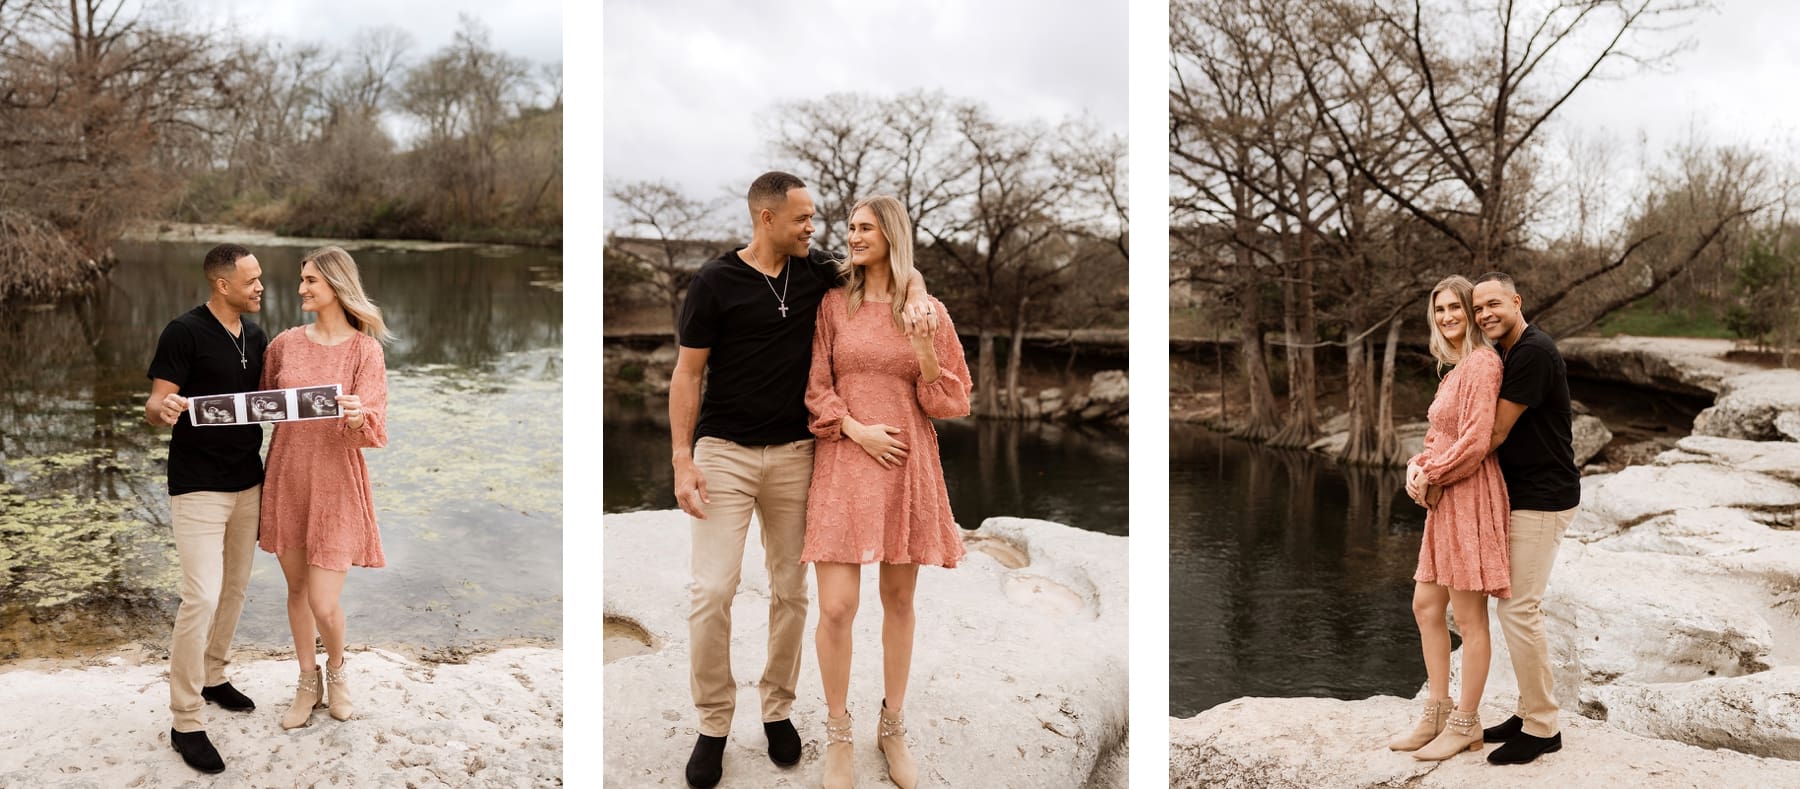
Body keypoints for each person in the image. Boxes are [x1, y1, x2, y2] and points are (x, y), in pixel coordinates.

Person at [669, 172, 935, 788]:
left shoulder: (816, 275)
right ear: (767, 218)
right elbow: (687, 376)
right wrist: (683, 459)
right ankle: (712, 724)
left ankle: (777, 709)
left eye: (817, 220)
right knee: (712, 591)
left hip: (798, 454)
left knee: (793, 592)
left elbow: (890, 268)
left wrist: (918, 286)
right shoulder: (714, 283)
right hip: (725, 451)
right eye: (803, 219)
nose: (814, 229)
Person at [802, 195, 970, 789]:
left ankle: (892, 727)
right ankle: (838, 732)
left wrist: (923, 347)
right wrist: (855, 429)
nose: (852, 236)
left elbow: (950, 402)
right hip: (846, 460)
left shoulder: (929, 311)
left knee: (899, 602)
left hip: (907, 466)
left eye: (865, 228)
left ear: (891, 234)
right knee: (836, 607)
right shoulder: (831, 305)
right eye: (850, 227)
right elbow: (816, 386)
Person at [144, 242, 267, 775]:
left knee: (236, 589)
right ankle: (186, 721)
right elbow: (155, 405)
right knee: (201, 596)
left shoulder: (257, 336)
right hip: (197, 487)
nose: (261, 286)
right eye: (252, 280)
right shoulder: (184, 332)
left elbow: (271, 401)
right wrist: (164, 407)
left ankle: (214, 676)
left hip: (248, 482)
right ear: (223, 285)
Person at [257, 245, 391, 731]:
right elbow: (260, 402)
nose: (301, 289)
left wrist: (358, 415)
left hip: (336, 482)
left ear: (335, 285)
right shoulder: (286, 344)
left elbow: (375, 427)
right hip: (287, 476)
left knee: (323, 601)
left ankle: (337, 672)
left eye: (310, 280)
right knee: (296, 590)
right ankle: (305, 681)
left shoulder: (365, 350)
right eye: (301, 280)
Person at [1392, 275, 1510, 761]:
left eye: (1455, 308)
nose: (1447, 318)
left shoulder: (1483, 364)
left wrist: (1434, 473)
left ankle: (1466, 722)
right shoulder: (1454, 368)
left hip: (1469, 495)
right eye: (1439, 310)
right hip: (1445, 494)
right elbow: (1438, 435)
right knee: (1425, 605)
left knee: (1467, 616)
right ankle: (1436, 712)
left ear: (1470, 311)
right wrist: (1416, 467)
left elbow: (1477, 440)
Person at [1468, 271, 1581, 765]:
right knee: (1514, 608)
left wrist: (1438, 474)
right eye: (1478, 309)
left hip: (1543, 497)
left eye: (1494, 303)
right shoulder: (1510, 352)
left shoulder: (1533, 351)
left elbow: (1494, 431)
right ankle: (1525, 710)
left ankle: (1543, 727)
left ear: (1517, 300)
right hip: (1522, 495)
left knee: (1519, 609)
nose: (1485, 314)